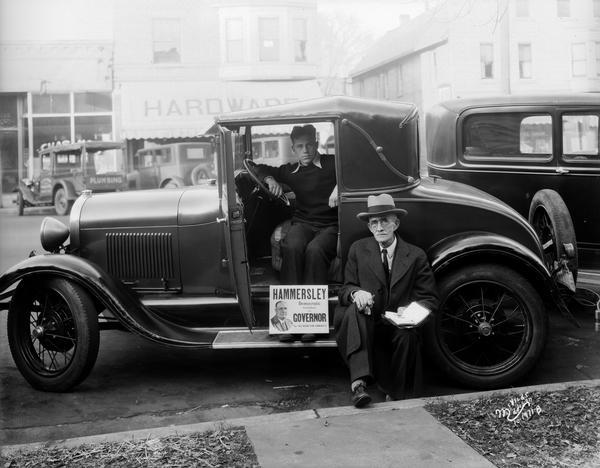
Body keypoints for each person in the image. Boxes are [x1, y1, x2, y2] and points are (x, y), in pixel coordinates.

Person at [334, 193, 438, 408]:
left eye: (384, 221)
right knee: (355, 310)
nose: (379, 228)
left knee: (407, 336)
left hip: (397, 324)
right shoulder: (358, 249)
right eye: (374, 223)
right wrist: (356, 294)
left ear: (396, 224)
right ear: (369, 227)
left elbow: (429, 299)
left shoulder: (415, 255)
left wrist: (409, 312)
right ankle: (359, 385)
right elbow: (345, 288)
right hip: (367, 322)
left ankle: (397, 394)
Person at [256, 124, 338, 286]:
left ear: (316, 144)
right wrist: (270, 179)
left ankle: (313, 306)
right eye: (300, 146)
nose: (305, 150)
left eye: (309, 145)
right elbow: (258, 167)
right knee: (292, 246)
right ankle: (291, 303)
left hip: (331, 225)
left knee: (315, 250)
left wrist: (339, 187)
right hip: (303, 223)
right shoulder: (290, 171)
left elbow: (355, 167)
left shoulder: (332, 163)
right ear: (293, 149)